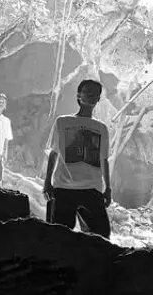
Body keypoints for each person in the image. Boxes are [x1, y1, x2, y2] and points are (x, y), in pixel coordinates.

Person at [43, 79, 112, 239]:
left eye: (95, 93)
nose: (91, 95)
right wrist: (47, 182)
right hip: (63, 187)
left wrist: (108, 188)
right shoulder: (62, 122)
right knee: (58, 236)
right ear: (78, 95)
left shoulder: (102, 128)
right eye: (87, 92)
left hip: (92, 188)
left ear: (98, 99)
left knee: (102, 236)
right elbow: (54, 153)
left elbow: (104, 160)